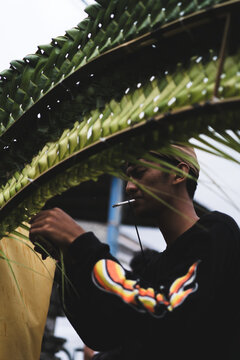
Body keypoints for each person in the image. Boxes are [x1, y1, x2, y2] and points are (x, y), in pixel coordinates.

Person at [29, 145, 240, 360]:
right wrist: (68, 260)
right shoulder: (157, 268)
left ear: (179, 173)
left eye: (139, 174)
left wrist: (81, 244)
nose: (129, 187)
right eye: (128, 178)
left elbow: (164, 309)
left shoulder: (217, 230)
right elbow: (102, 334)